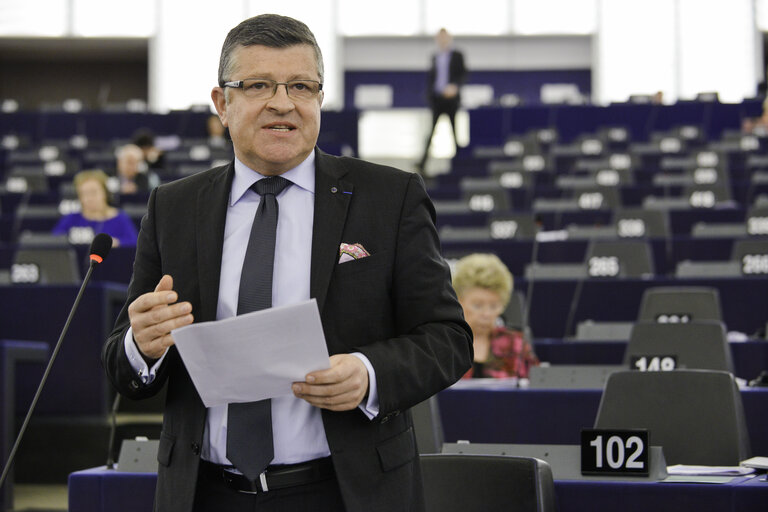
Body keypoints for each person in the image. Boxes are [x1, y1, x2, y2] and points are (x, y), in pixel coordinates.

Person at [102, 14, 472, 512]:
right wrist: (140, 346)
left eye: (301, 86)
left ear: (319, 98)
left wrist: (368, 373)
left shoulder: (390, 197)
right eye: (258, 85)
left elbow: (447, 338)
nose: (283, 102)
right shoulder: (172, 207)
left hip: (344, 491)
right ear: (222, 105)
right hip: (204, 494)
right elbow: (123, 362)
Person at [452, 253, 539, 379]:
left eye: (493, 306)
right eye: (477, 305)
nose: (486, 314)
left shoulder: (516, 344)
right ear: (458, 301)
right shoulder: (443, 343)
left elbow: (536, 387)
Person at [416, 27, 467, 175]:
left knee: (454, 131)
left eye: (444, 37)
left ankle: (458, 164)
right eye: (440, 37)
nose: (442, 40)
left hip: (451, 99)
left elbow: (462, 74)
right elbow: (432, 78)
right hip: (437, 100)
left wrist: (454, 87)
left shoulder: (457, 55)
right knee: (431, 132)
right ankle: (423, 163)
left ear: (449, 38)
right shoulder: (435, 56)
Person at [52, 169, 137, 247]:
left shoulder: (120, 219)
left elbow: (134, 244)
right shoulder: (71, 218)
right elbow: (54, 242)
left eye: (93, 192)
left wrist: (117, 243)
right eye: (84, 193)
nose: (89, 198)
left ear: (105, 193)